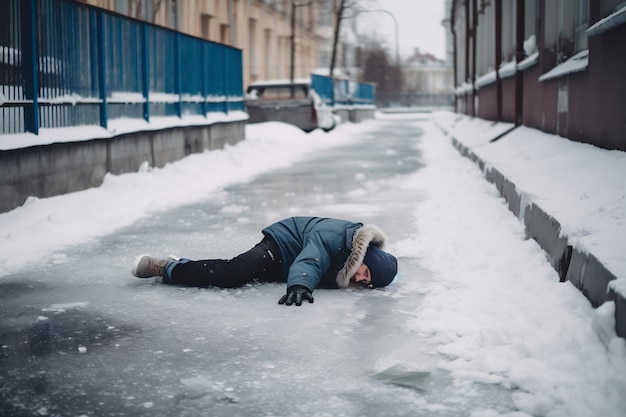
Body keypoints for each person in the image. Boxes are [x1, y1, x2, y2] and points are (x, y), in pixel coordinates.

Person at [131, 216, 398, 307]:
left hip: (288, 265)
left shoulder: (351, 269)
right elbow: (312, 259)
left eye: (367, 283)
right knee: (233, 273)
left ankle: (174, 267)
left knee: (242, 278)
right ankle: (166, 266)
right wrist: (300, 286)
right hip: (283, 244)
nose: (361, 280)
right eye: (366, 273)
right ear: (365, 258)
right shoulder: (337, 236)